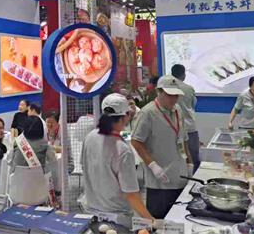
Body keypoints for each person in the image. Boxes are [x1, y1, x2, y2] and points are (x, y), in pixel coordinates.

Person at [80, 93, 155, 227]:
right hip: (116, 219)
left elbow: (84, 166)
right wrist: (151, 220)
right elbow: (131, 194)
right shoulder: (123, 150)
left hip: (91, 214)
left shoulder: (89, 137)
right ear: (126, 116)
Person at [132, 75, 192, 219]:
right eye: (169, 95)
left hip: (180, 176)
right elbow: (136, 141)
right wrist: (153, 166)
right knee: (159, 221)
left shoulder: (177, 110)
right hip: (160, 181)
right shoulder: (148, 113)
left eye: (176, 95)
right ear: (158, 92)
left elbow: (183, 138)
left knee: (178, 219)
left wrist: (189, 162)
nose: (174, 99)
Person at [11, 116, 58, 189]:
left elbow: (10, 165)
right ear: (41, 130)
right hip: (40, 191)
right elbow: (54, 171)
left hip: (17, 190)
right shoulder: (47, 147)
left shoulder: (17, 144)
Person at [171, 64, 200, 173]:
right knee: (193, 156)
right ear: (183, 74)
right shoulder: (189, 88)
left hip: (173, 127)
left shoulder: (168, 88)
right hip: (189, 127)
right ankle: (194, 178)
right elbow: (193, 105)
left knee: (177, 156)